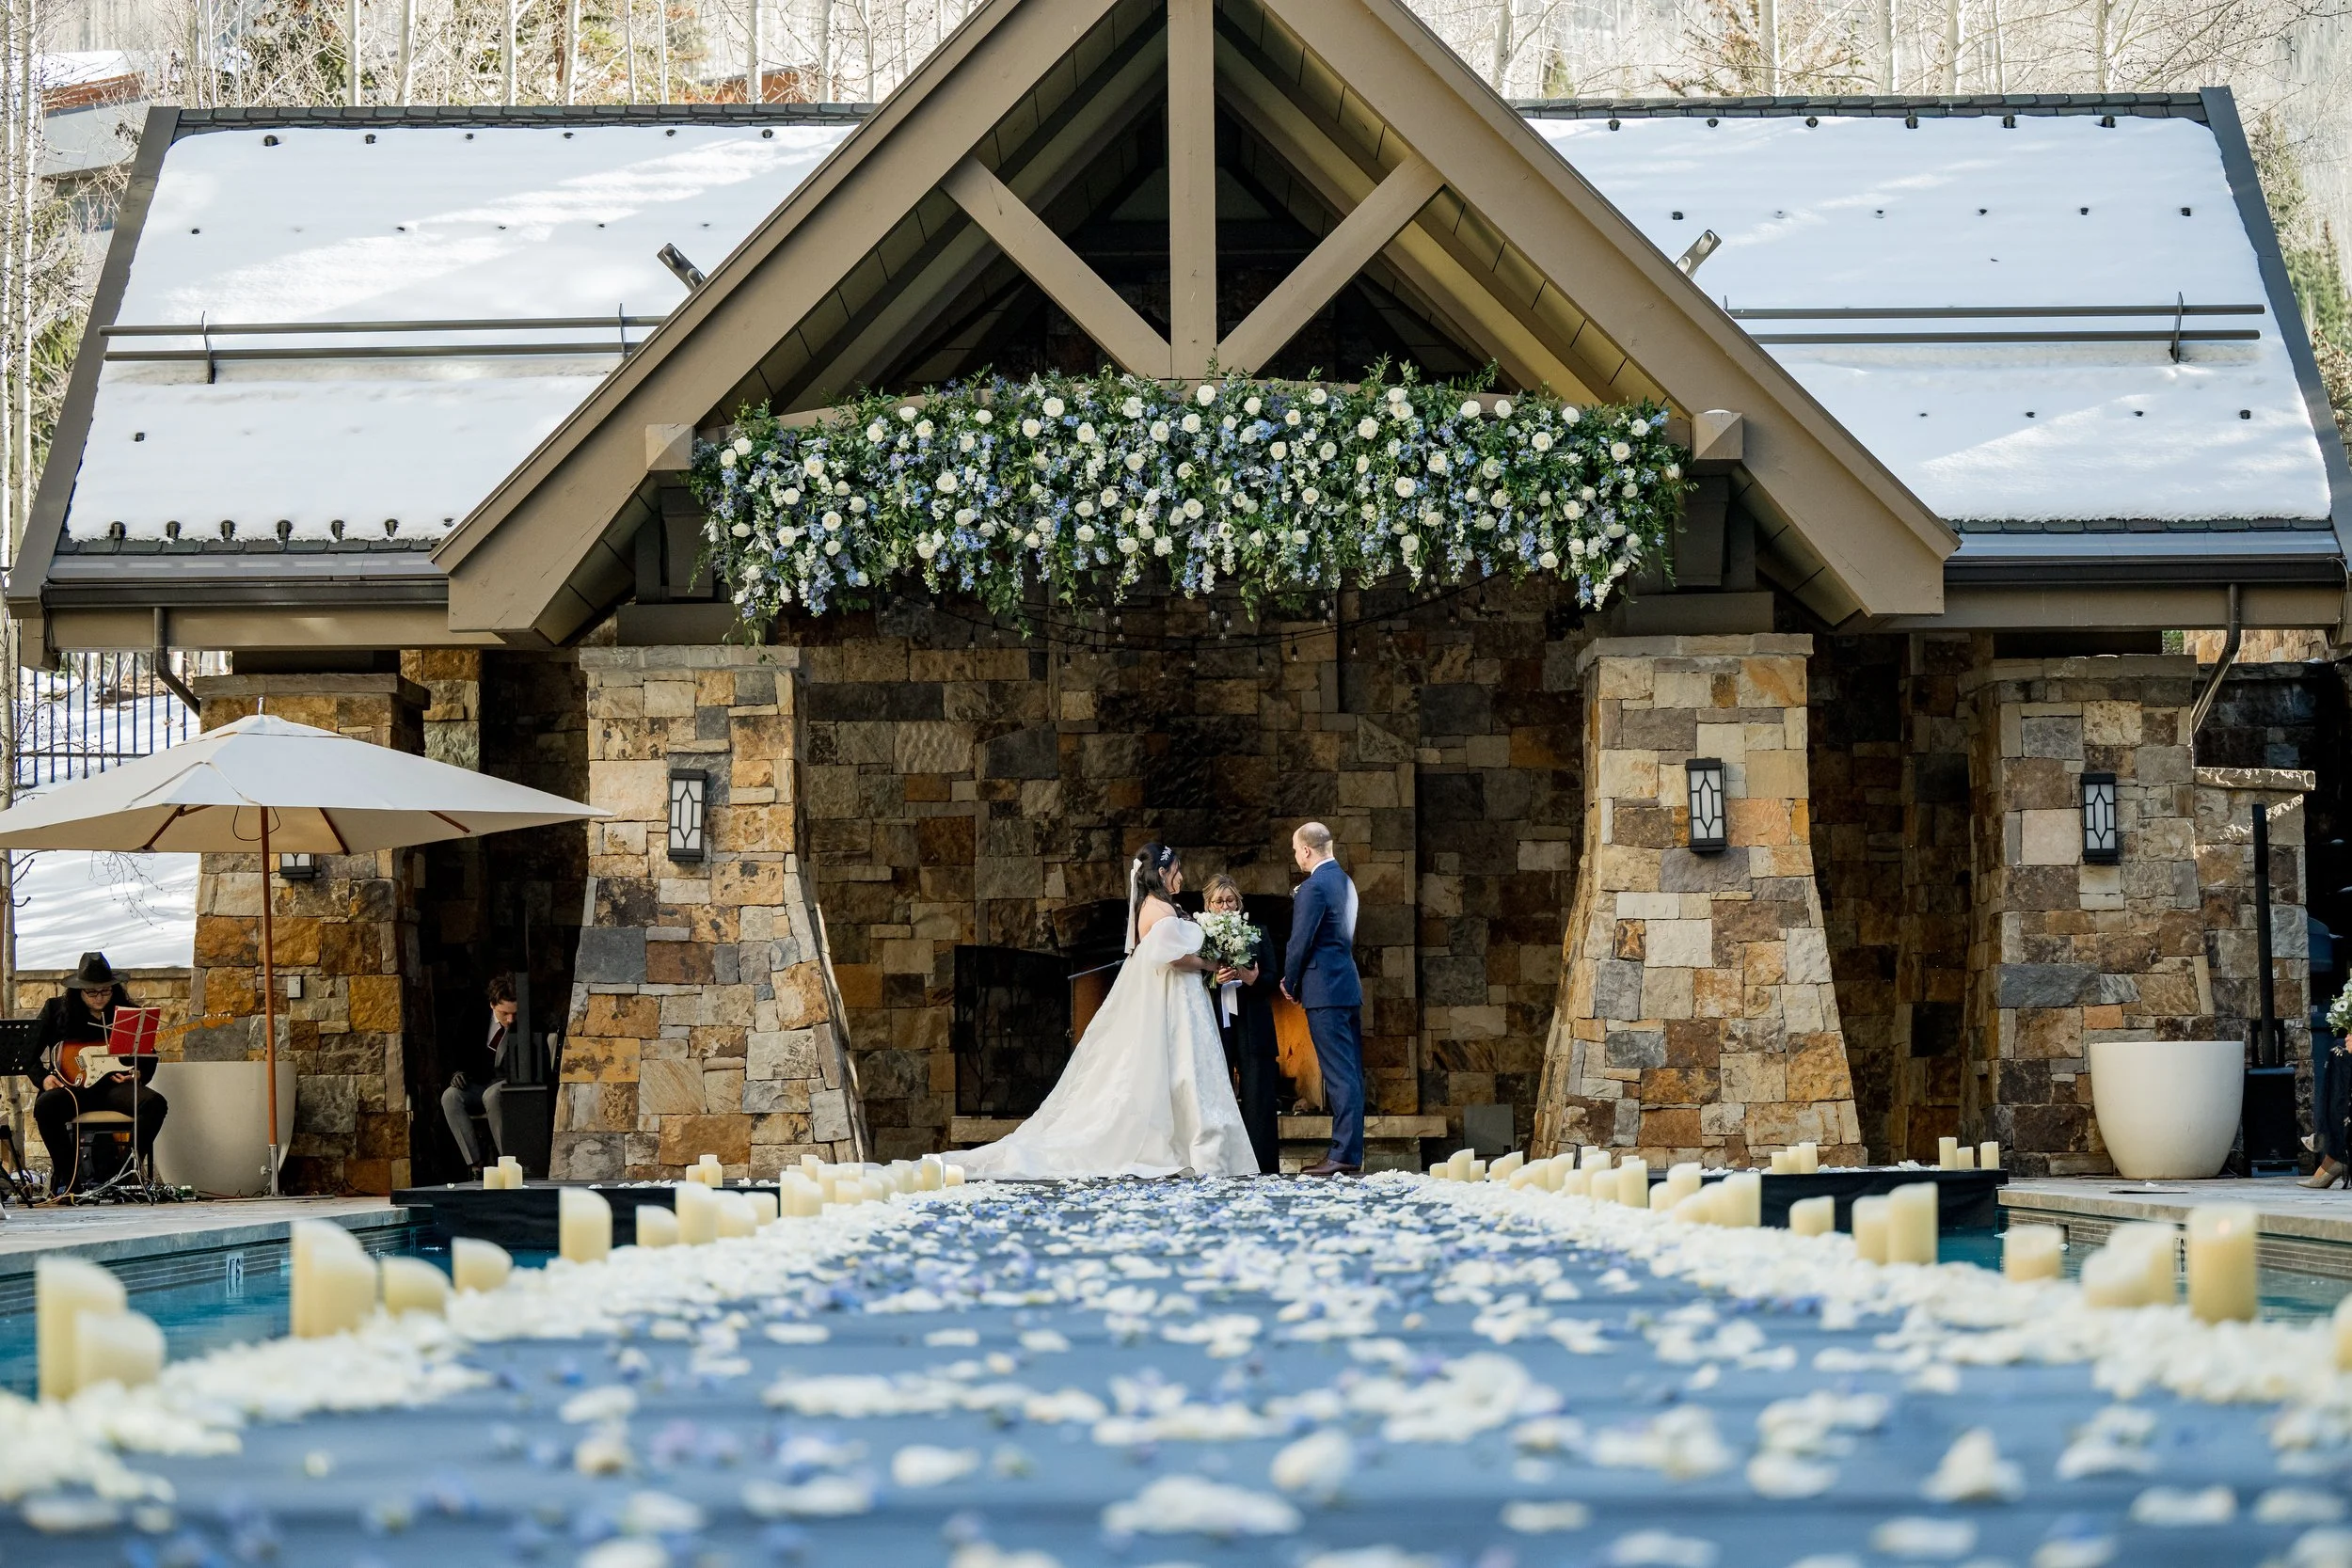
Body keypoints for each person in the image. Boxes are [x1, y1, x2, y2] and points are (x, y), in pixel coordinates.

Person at [947, 843, 1257, 1180]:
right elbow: (1171, 956)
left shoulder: (1164, 906)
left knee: (1184, 1069)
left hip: (1180, 996)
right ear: (1163, 873)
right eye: (1177, 870)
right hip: (1172, 996)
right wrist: (1210, 963)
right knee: (1182, 1065)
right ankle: (1194, 1147)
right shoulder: (1158, 910)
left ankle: (1193, 1144)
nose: (1182, 876)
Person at [31, 952, 167, 1195]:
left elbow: (148, 1053)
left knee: (154, 1104)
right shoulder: (56, 1010)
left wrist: (137, 1073)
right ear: (79, 990)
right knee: (45, 1106)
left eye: (106, 991)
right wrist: (43, 1077)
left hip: (113, 1087)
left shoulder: (127, 1013)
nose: (99, 997)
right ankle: (68, 1177)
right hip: (70, 1088)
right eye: (91, 992)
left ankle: (124, 1172)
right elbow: (30, 1054)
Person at [1282, 822, 1364, 1178]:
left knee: (1339, 1074)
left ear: (1306, 850)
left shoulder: (1313, 888)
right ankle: (1349, 1150)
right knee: (1350, 1072)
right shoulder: (1346, 882)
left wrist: (1290, 980)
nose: (1295, 855)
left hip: (1324, 990)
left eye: (1295, 849)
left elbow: (1299, 941)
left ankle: (1343, 1154)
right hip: (1345, 985)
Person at [1203, 873, 1281, 1174]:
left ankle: (1262, 1168)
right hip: (1216, 1026)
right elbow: (1189, 981)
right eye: (1219, 901)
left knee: (1259, 1098)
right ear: (1209, 905)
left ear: (1239, 903)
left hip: (1253, 1024)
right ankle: (1218, 1165)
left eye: (1230, 900)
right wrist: (1214, 979)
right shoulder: (1200, 935)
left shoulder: (1258, 932)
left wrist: (1252, 979)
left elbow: (1273, 979)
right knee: (1216, 1096)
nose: (1225, 906)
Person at [440, 974, 518, 1178]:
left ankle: (509, 1165)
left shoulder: (524, 1022)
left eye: (514, 1014)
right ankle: (476, 1165)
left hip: (508, 1083)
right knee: (450, 1097)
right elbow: (456, 1047)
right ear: (493, 1005)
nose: (510, 1019)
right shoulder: (473, 1017)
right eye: (505, 1013)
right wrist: (456, 1072)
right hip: (479, 1082)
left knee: (492, 1095)